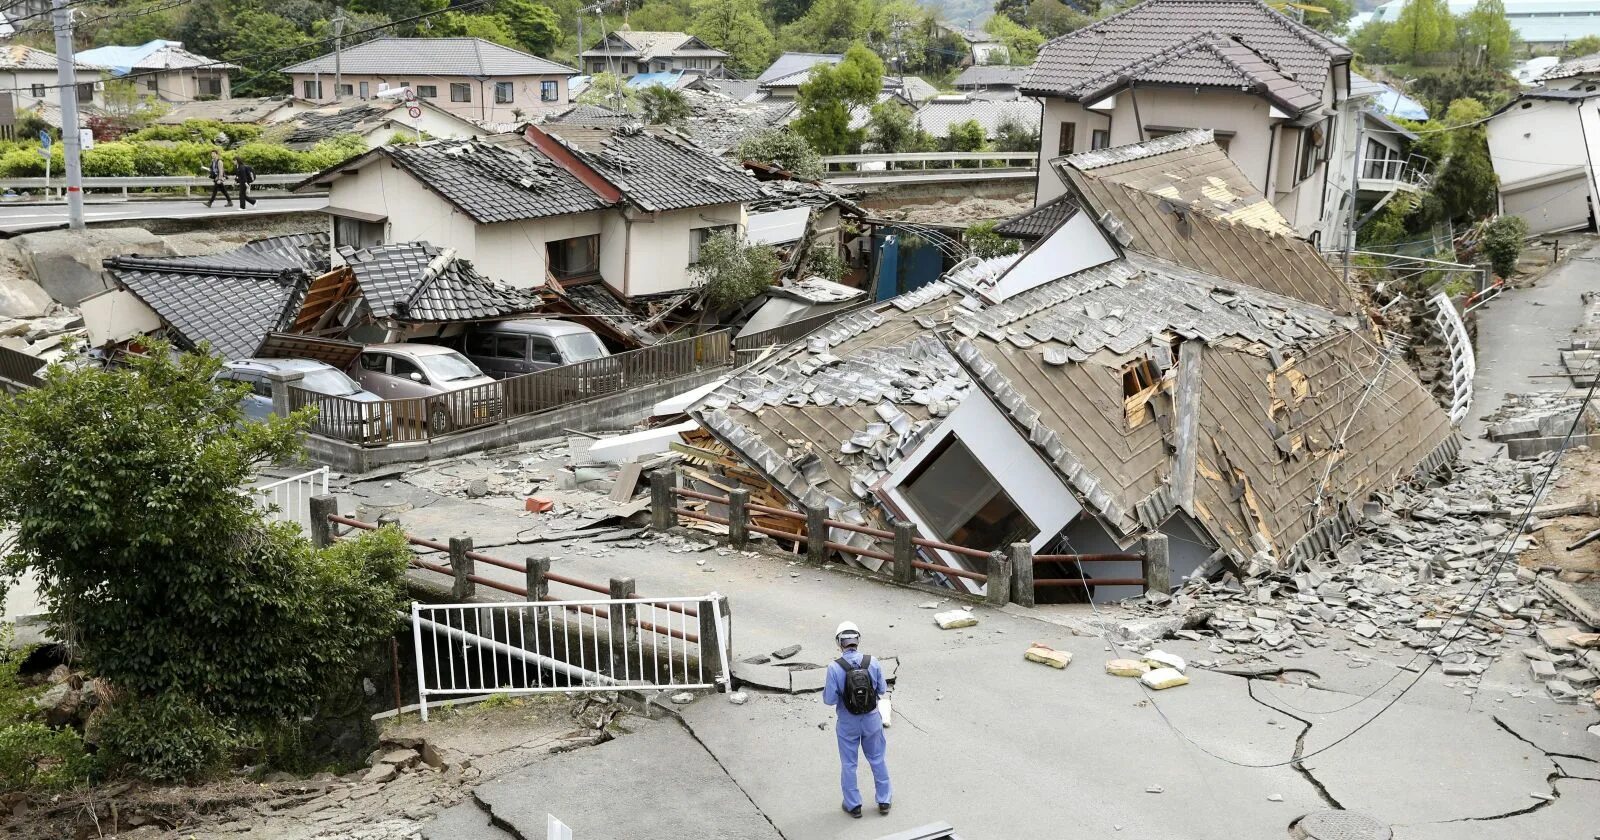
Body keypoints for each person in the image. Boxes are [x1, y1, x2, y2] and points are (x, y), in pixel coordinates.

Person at [823, 621, 891, 818]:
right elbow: (882, 690)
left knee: (849, 764)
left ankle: (854, 805)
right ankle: (884, 800)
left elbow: (829, 700)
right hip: (871, 720)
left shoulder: (834, 667)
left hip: (847, 722)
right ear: (858, 640)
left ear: (839, 642)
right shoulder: (873, 662)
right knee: (877, 759)